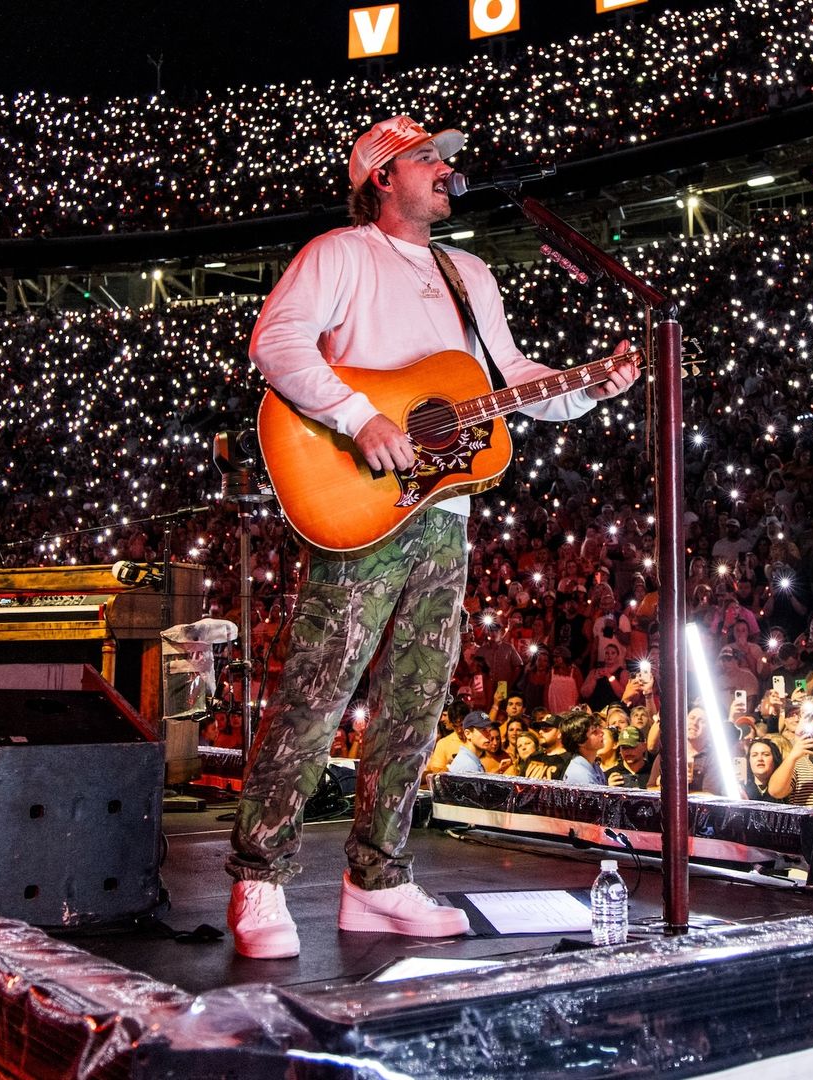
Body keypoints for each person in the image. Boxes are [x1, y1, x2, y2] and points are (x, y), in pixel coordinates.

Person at [225, 115, 641, 958]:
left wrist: (591, 383)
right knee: (319, 691)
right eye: (429, 158)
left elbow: (509, 379)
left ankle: (377, 881)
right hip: (362, 505)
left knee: (415, 703)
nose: (448, 170)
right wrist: (359, 414)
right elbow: (276, 343)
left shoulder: (470, 272)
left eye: (449, 160)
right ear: (383, 176)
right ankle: (258, 877)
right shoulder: (339, 254)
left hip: (443, 515)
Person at [559, 710, 609, 785]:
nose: (601, 732)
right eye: (594, 731)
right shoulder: (581, 775)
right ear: (580, 740)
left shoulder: (592, 765)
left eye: (598, 728)